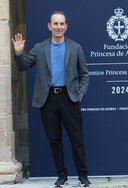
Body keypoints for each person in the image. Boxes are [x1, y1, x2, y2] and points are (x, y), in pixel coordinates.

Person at [11, 11, 90, 187]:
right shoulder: (40, 48)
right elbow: (24, 67)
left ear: (66, 26)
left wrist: (80, 94)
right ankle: (61, 176)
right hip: (47, 100)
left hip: (69, 98)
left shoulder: (75, 47)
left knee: (76, 139)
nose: (59, 27)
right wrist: (18, 54)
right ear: (49, 26)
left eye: (62, 24)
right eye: (55, 24)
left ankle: (83, 176)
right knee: (54, 140)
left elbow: (85, 75)